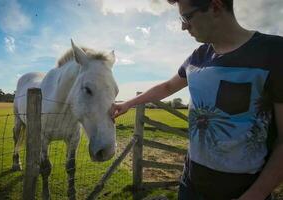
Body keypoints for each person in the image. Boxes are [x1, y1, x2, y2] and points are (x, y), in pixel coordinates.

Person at [110, 0, 283, 199]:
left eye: (187, 17)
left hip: (243, 191)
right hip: (190, 185)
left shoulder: (274, 52)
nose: (183, 26)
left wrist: (255, 195)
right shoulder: (198, 57)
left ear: (215, 7)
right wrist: (127, 104)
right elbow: (167, 86)